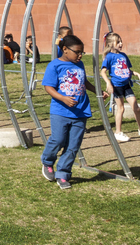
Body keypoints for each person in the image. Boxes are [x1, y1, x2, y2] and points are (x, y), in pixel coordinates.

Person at [40, 34, 96, 190]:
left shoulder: (80, 65)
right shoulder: (54, 66)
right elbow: (48, 87)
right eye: (77, 52)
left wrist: (96, 90)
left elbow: (84, 82)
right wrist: (63, 98)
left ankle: (63, 174)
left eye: (81, 52)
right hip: (60, 111)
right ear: (65, 49)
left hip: (81, 112)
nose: (80, 55)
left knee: (73, 146)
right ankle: (47, 161)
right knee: (58, 140)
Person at [100, 32, 140, 142]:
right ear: (111, 44)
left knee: (136, 108)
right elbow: (102, 72)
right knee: (121, 108)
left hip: (126, 85)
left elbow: (126, 69)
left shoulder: (123, 55)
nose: (121, 44)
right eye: (118, 42)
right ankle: (118, 132)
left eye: (121, 41)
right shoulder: (109, 57)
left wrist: (136, 73)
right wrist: (108, 83)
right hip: (117, 86)